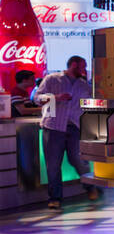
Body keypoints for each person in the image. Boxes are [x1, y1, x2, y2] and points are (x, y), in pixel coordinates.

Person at [35, 56, 97, 210]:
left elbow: (93, 101)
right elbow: (37, 98)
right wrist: (55, 98)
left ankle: (90, 187)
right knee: (53, 165)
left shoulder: (84, 85)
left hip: (75, 127)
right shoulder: (52, 79)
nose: (85, 69)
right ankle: (55, 198)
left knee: (77, 159)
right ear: (74, 65)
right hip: (54, 126)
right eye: (83, 66)